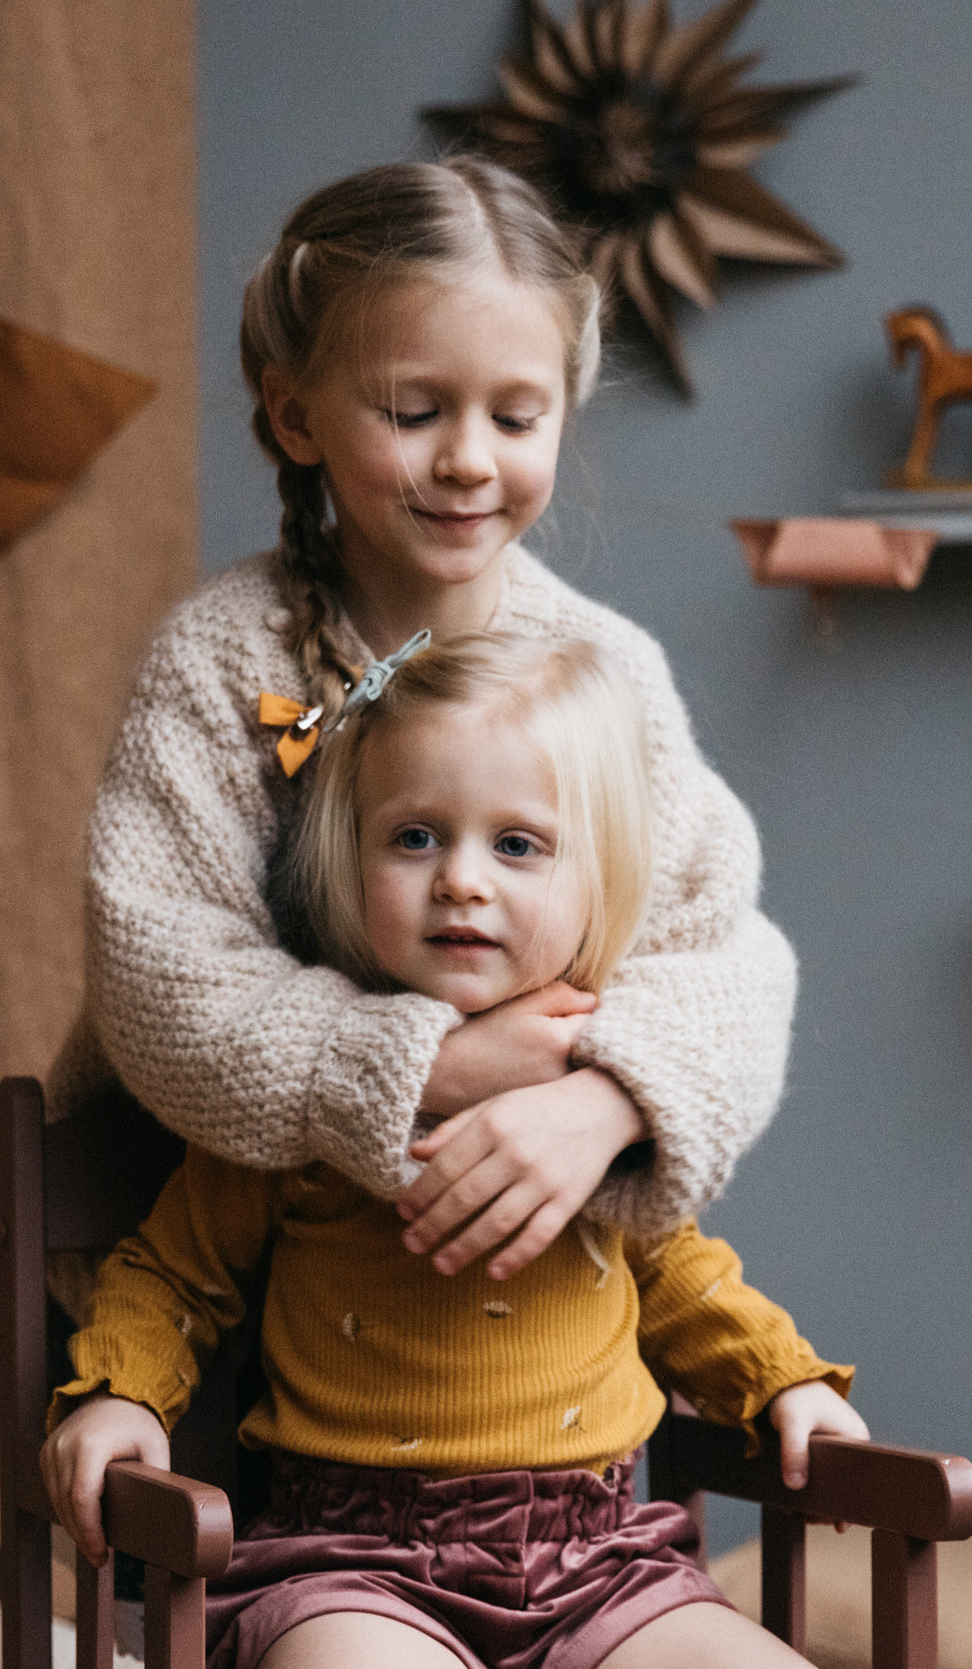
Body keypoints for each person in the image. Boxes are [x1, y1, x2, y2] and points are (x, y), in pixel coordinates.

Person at [48, 634, 866, 1669]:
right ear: (350, 863)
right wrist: (122, 1394)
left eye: (518, 846)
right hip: (352, 1562)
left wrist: (784, 1385)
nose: (463, 882)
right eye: (416, 838)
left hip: (604, 1563)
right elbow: (173, 1272)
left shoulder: (591, 1097)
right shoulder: (310, 1103)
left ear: (596, 884)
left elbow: (681, 1274)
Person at [63, 157, 796, 1281]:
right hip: (211, 1276)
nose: (466, 458)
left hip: (507, 1300)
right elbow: (161, 981)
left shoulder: (605, 671)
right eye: (414, 412)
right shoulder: (221, 668)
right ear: (294, 414)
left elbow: (727, 957)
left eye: (514, 416)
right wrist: (429, 1067)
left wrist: (601, 1104)